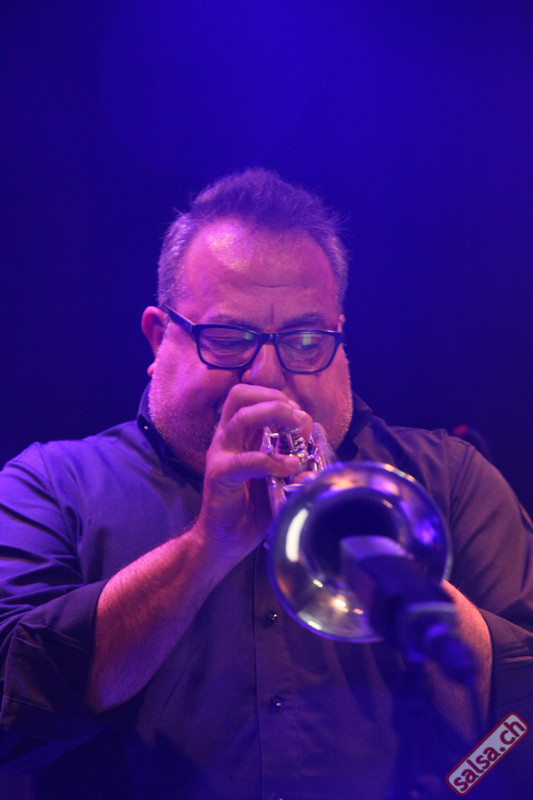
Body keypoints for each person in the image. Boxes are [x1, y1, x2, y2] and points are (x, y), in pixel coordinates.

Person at [0, 169, 532, 800]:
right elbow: (13, 725)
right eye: (228, 339)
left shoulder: (450, 479)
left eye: (306, 340)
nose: (269, 376)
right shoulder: (50, 486)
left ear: (340, 338)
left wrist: (459, 785)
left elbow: (520, 733)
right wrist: (204, 548)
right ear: (159, 338)